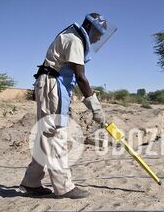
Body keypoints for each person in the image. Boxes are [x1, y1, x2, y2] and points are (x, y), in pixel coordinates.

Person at [19, 13, 116, 199]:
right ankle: (64, 187)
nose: (98, 38)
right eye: (98, 33)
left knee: (46, 135)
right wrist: (95, 108)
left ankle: (31, 181)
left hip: (53, 84)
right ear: (89, 27)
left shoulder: (74, 37)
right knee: (55, 134)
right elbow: (81, 77)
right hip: (52, 86)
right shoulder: (74, 40)